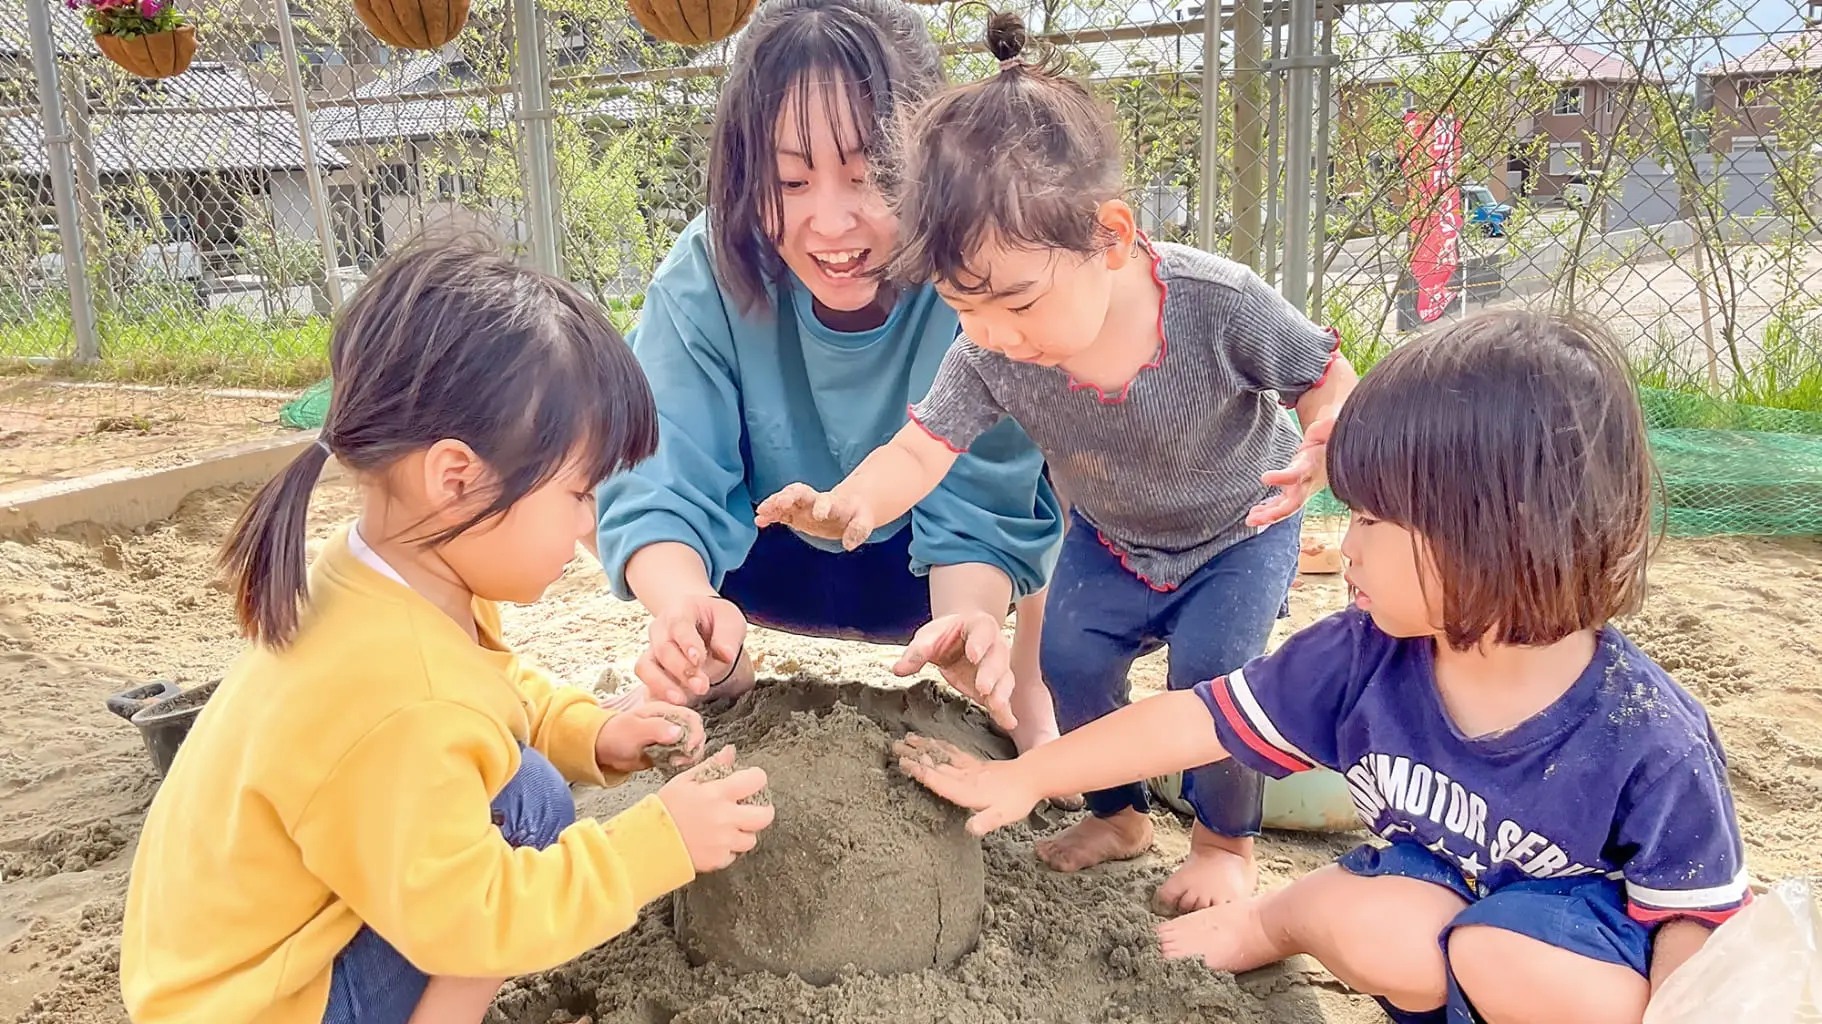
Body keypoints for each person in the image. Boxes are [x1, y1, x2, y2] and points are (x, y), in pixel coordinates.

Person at [893, 309, 1750, 1024]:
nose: (1347, 550)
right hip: (1441, 927)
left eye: (1374, 521)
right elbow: (1192, 720)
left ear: (1494, 535)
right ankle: (1269, 924)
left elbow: (1695, 925)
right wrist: (1033, 776)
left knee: (1504, 953)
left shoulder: (1649, 734)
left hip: (1571, 965)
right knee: (1368, 917)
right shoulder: (1367, 653)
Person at [755, 11, 1357, 914]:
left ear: (1109, 238)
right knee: (1068, 665)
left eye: (1016, 303)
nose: (994, 335)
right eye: (964, 308)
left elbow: (1323, 374)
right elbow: (922, 448)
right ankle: (1118, 816)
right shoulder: (994, 349)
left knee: (1216, 675)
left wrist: (1325, 437)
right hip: (1112, 539)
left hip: (1238, 530)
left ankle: (1223, 840)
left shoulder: (1215, 304)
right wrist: (848, 506)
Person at [119, 239, 774, 1024]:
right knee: (528, 828)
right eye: (577, 493)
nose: (586, 524)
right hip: (263, 1004)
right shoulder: (403, 701)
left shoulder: (377, 570)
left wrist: (591, 733)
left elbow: (485, 681)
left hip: (225, 963)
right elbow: (483, 915)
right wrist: (657, 845)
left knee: (528, 788)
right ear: (457, 478)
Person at [588, 0, 1068, 755]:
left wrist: (966, 624)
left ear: (928, 160)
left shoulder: (974, 268)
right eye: (791, 181)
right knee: (594, 447)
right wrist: (684, 608)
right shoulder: (706, 269)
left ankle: (1034, 683)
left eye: (868, 177)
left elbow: (988, 497)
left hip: (930, 577)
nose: (833, 223)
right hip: (758, 565)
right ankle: (715, 663)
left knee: (1078, 403)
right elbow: (661, 475)